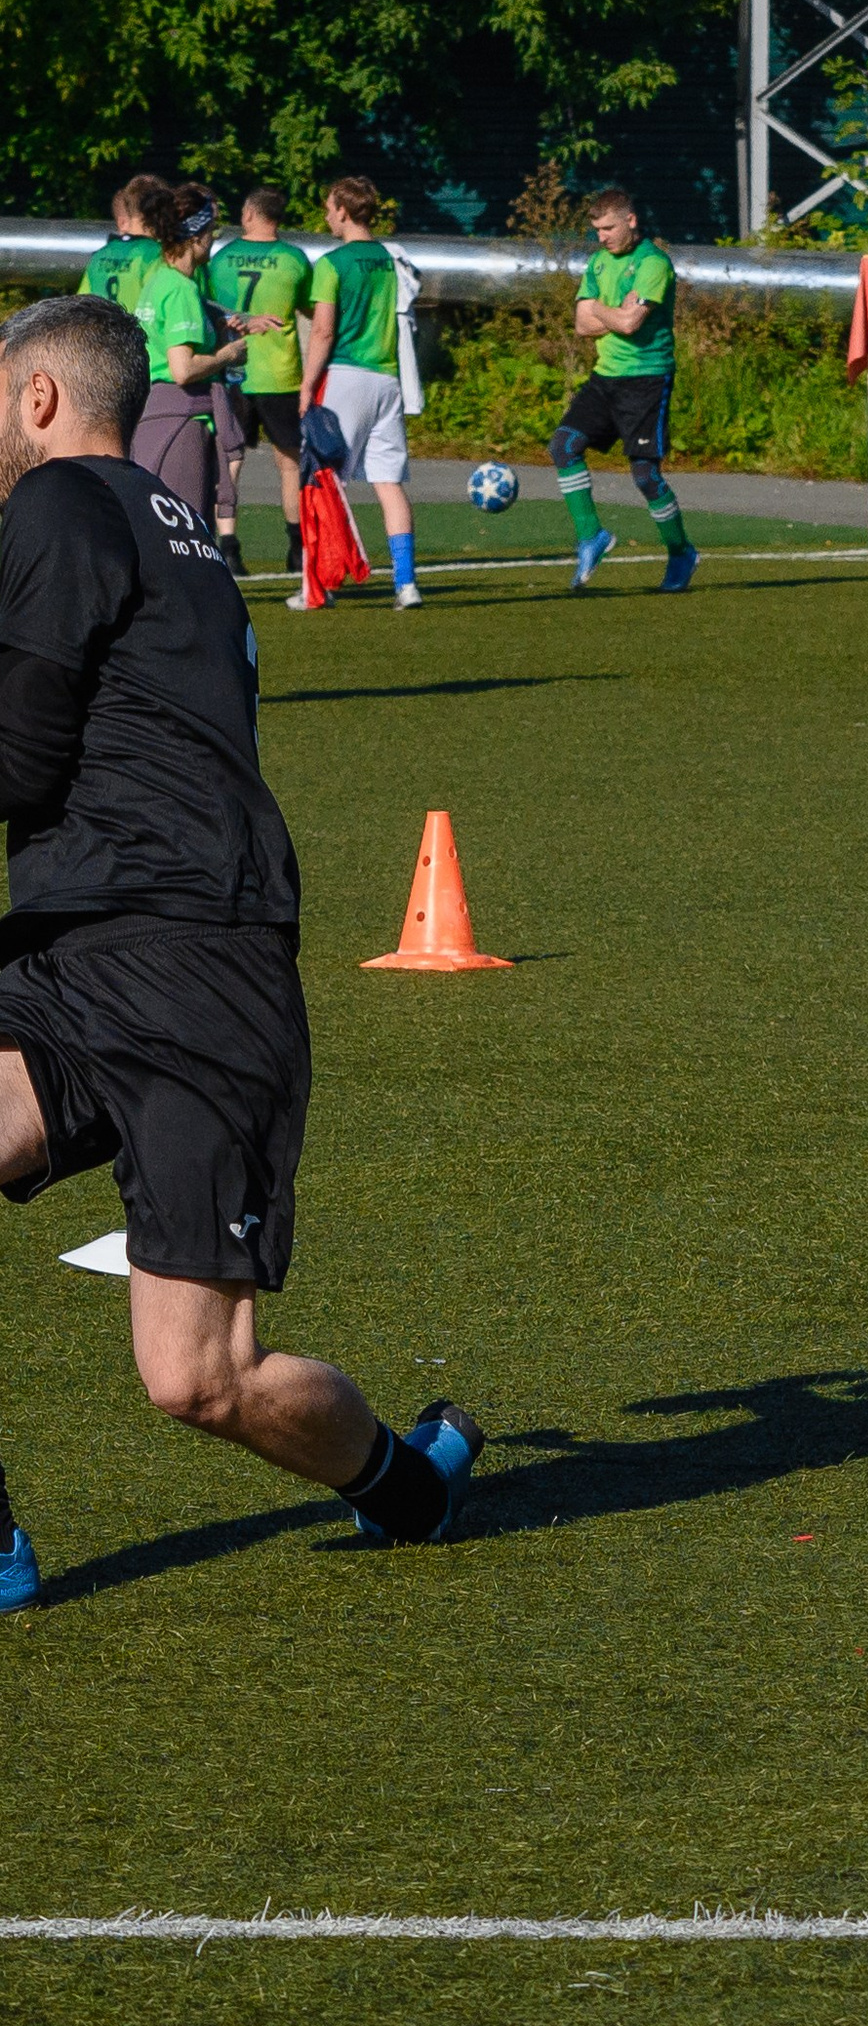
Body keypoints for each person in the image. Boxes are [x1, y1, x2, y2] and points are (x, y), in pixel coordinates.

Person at [0, 295, 481, 1614]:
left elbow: (24, 752)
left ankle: (407, 1480)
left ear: (39, 398)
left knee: (198, 1378)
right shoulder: (186, 535)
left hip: (192, 973)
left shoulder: (58, 507)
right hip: (87, 950)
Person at [553, 187, 697, 595]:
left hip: (647, 379)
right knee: (563, 446)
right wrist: (609, 312)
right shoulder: (598, 264)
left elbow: (632, 325)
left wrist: (600, 310)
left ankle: (681, 551)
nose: (601, 237)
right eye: (596, 230)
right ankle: (591, 537)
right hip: (605, 377)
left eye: (608, 228)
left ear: (631, 221)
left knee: (645, 475)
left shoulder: (653, 264)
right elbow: (582, 325)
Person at [300, 177, 422, 610]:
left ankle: (320, 586)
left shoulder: (332, 263)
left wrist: (307, 384)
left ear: (345, 211)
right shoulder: (390, 260)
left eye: (331, 208)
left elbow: (322, 330)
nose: (327, 216)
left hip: (346, 376)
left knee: (323, 479)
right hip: (388, 379)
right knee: (388, 483)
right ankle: (406, 584)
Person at [129, 182, 257, 576]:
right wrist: (228, 354)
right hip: (181, 420)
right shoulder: (181, 288)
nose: (214, 241)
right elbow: (183, 368)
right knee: (186, 539)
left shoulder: (157, 281)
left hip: (153, 414)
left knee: (159, 533)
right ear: (196, 236)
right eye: (212, 232)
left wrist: (217, 325)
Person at [207, 187, 313, 579]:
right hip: (280, 374)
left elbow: (206, 304)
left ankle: (229, 549)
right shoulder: (294, 260)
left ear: (250, 213)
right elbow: (309, 308)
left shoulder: (220, 259)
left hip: (234, 373)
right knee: (289, 465)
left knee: (230, 463)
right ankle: (297, 549)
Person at [78, 175, 167, 313]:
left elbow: (81, 306)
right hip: (137, 334)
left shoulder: (99, 256)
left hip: (102, 334)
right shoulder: (156, 255)